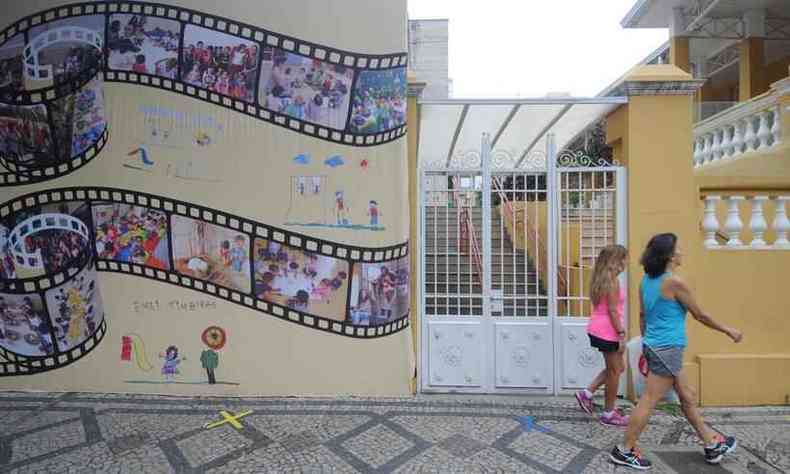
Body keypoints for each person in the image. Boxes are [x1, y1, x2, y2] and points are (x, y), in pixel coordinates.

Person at [610, 233, 743, 470]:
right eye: (678, 248)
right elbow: (700, 314)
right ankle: (624, 450)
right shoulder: (673, 282)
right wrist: (727, 330)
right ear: (669, 256)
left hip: (656, 346)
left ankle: (711, 443)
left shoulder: (646, 281)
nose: (681, 251)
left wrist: (648, 342)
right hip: (667, 349)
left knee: (687, 396)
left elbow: (643, 316)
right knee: (649, 400)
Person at [575, 245, 629, 426]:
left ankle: (587, 393)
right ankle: (609, 413)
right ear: (615, 261)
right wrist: (621, 334)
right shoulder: (612, 281)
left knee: (618, 367)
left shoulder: (600, 279)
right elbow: (613, 311)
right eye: (623, 259)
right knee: (615, 371)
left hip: (599, 328)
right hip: (608, 330)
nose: (625, 262)